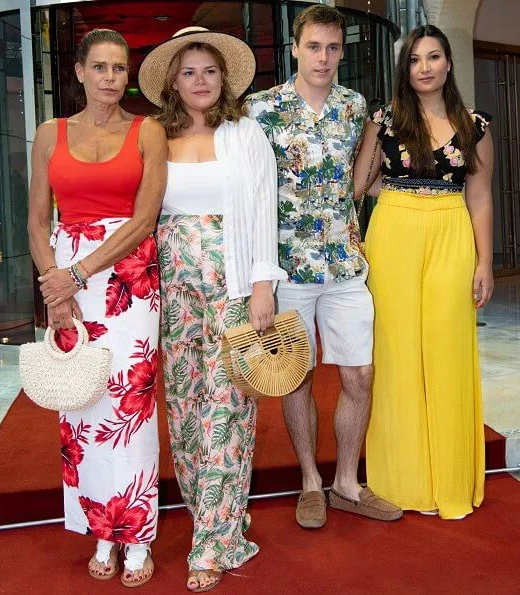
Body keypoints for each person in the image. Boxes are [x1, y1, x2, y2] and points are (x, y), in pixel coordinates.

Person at [138, 27, 286, 592]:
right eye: (189, 72)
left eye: (210, 71)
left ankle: (215, 541)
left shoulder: (245, 134)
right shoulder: (155, 135)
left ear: (224, 79)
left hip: (232, 289)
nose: (200, 81)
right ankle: (212, 514)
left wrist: (262, 285)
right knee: (184, 408)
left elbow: (263, 211)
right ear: (174, 83)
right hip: (173, 293)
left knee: (226, 410)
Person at [245, 4, 402, 529]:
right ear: (295, 47)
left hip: (344, 264)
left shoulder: (354, 105)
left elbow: (355, 184)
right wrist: (256, 277)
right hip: (287, 271)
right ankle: (312, 480)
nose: (324, 57)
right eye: (314, 46)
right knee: (296, 378)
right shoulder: (261, 109)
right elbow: (247, 193)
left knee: (360, 372)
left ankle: (347, 483)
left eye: (334, 47)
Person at [28, 29, 167, 586]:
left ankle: (136, 536)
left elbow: (144, 220)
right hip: (64, 271)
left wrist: (77, 275)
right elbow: (38, 221)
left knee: (129, 410)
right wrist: (54, 285)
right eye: (101, 67)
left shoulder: (147, 131)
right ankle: (100, 531)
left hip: (128, 276)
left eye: (119, 68)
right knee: (81, 405)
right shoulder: (49, 134)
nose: (111, 77)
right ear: (80, 72)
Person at [354, 25, 494, 519]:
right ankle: (402, 480)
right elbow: (360, 184)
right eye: (415, 60)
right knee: (395, 351)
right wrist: (402, 200)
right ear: (405, 69)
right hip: (393, 235)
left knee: (446, 348)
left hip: (451, 234)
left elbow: (479, 198)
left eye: (434, 57)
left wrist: (485, 262)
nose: (425, 67)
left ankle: (447, 479)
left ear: (449, 63)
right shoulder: (386, 118)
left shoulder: (474, 125)